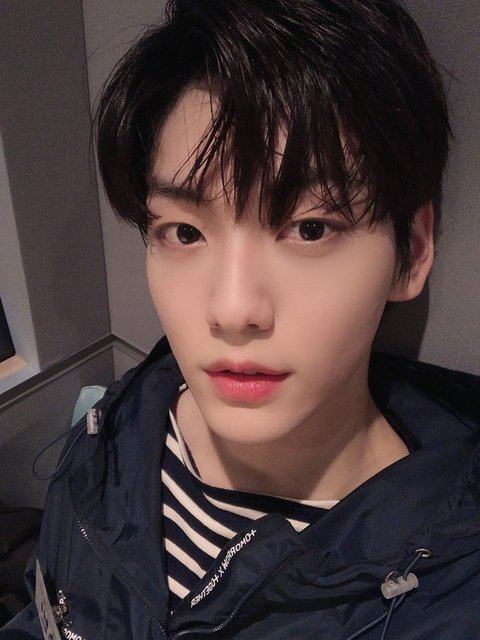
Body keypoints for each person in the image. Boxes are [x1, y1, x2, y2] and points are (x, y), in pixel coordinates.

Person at [3, 0, 480, 638]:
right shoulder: (118, 428)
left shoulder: (449, 598)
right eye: (184, 232)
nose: (231, 310)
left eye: (309, 228)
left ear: (410, 254)